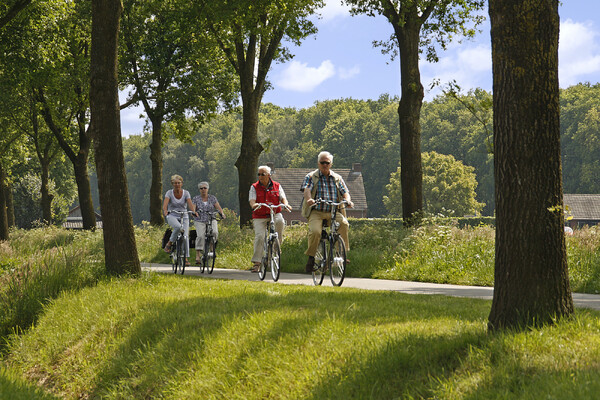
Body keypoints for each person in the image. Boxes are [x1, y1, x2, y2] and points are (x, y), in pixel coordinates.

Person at [301, 151, 353, 273]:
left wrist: (348, 201)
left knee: (344, 224)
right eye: (322, 162)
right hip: (317, 211)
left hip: (334, 211)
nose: (325, 165)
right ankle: (311, 257)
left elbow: (345, 191)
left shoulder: (337, 178)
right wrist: (309, 199)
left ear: (331, 164)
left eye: (327, 163)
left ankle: (341, 255)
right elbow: (307, 189)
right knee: (315, 231)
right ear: (318, 163)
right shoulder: (311, 176)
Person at [249, 165, 291, 272]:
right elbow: (252, 200)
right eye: (258, 174)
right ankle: (257, 262)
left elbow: (283, 198)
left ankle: (276, 248)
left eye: (262, 174)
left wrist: (286, 205)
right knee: (260, 236)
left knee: (280, 222)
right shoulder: (254, 187)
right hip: (260, 215)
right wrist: (254, 205)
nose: (260, 176)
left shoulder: (277, 186)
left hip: (274, 213)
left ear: (268, 175)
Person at [163, 174, 196, 266]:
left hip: (184, 216)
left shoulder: (186, 193)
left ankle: (185, 258)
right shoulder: (169, 193)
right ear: (172, 184)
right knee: (178, 227)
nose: (177, 185)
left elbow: (190, 204)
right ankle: (169, 243)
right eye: (175, 183)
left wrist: (193, 212)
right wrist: (165, 211)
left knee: (185, 237)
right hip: (172, 215)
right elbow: (165, 204)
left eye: (178, 183)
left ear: (181, 183)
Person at [191, 181, 225, 264]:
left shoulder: (212, 198)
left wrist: (222, 214)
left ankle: (212, 248)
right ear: (199, 190)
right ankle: (198, 255)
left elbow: (218, 208)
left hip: (211, 218)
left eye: (205, 188)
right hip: (200, 220)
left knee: (215, 232)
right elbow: (193, 208)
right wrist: (194, 212)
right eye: (201, 188)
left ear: (208, 189)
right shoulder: (196, 198)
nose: (203, 190)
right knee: (200, 236)